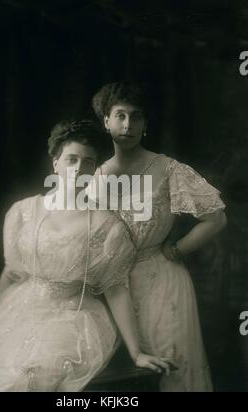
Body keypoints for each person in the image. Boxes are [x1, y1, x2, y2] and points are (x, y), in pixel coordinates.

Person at [0, 119, 170, 392]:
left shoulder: (106, 225)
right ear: (55, 163)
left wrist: (136, 352)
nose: (78, 169)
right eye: (71, 159)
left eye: (88, 163)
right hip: (20, 310)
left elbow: (116, 289)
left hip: (74, 317)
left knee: (33, 377)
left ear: (95, 171)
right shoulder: (23, 212)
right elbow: (11, 273)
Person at [91, 82, 227, 392]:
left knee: (171, 370)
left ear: (146, 124)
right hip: (114, 288)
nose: (128, 125)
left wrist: (177, 250)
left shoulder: (167, 169)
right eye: (120, 116)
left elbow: (216, 218)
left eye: (136, 117)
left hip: (163, 282)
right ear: (106, 122)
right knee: (127, 381)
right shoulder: (96, 177)